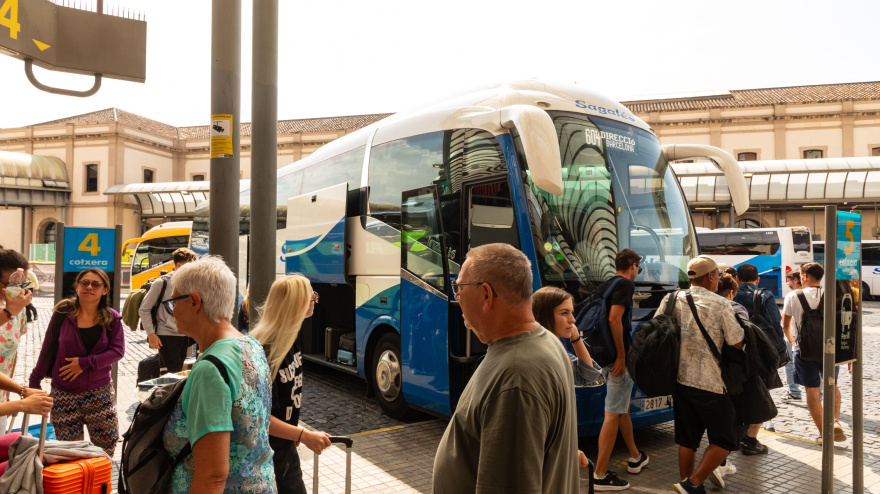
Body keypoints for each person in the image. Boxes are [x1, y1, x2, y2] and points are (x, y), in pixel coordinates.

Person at [432, 243, 579, 493]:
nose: (457, 296)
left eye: (459, 287)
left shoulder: (516, 376)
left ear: (486, 295)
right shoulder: (545, 342)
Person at [161, 255, 275, 493]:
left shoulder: (210, 368)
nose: (172, 313)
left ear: (194, 302)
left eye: (173, 303)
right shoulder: (251, 345)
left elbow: (212, 477)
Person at [657, 255, 744, 494]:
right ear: (710, 277)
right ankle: (693, 483)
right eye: (717, 274)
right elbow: (736, 342)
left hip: (680, 380)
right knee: (727, 439)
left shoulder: (671, 298)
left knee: (687, 440)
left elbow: (658, 328)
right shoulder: (721, 304)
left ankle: (685, 483)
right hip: (710, 382)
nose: (719, 278)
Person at [28, 268, 125, 456]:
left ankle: (99, 477)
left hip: (100, 393)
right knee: (70, 453)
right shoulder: (62, 313)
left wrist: (85, 363)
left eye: (96, 284)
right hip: (64, 394)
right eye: (84, 283)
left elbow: (117, 351)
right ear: (77, 286)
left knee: (106, 448)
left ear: (105, 290)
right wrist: (34, 381)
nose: (89, 287)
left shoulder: (111, 318)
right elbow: (48, 348)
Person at [250, 275, 332, 494]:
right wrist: (302, 435)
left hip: (286, 448)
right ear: (296, 304)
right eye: (311, 296)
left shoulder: (291, 337)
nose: (315, 300)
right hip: (265, 457)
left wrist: (294, 433)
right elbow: (257, 416)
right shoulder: (265, 348)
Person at [591, 249, 649, 491]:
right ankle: (600, 475)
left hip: (602, 354)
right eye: (639, 268)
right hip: (617, 358)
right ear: (633, 265)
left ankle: (635, 456)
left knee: (621, 408)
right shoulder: (625, 284)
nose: (638, 272)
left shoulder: (606, 284)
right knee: (613, 414)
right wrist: (622, 356)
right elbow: (615, 319)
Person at [781, 262, 846, 444]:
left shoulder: (793, 296)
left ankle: (824, 433)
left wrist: (792, 342)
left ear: (805, 276)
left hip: (804, 351)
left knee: (812, 390)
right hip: (830, 349)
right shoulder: (832, 295)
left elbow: (785, 324)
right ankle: (834, 421)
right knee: (832, 385)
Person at [732, 264, 784, 455]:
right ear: (758, 279)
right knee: (759, 396)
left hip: (735, 353)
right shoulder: (764, 295)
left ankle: (738, 434)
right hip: (759, 353)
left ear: (737, 279)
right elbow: (775, 325)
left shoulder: (729, 295)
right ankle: (751, 440)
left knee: (738, 394)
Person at [140, 248, 198, 374]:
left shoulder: (191, 284)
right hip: (167, 335)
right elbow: (144, 309)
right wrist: (151, 334)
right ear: (179, 265)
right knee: (172, 374)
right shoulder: (162, 283)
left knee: (178, 371)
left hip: (185, 336)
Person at [532, 286, 604, 387]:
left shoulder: (554, 349)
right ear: (545, 315)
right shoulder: (538, 353)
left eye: (571, 313)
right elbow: (587, 376)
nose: (572, 320)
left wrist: (576, 339)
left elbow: (589, 375)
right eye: (564, 313)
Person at [0, 249, 31, 404]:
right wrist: (8, 313)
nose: (17, 290)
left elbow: (11, 354)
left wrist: (7, 394)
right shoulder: (12, 310)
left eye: (21, 284)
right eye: (11, 284)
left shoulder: (18, 309)